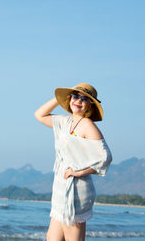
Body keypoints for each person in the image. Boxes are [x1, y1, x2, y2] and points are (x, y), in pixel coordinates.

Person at [34, 83, 112, 241]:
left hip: (77, 190)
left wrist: (79, 172)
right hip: (61, 187)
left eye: (84, 99)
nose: (78, 101)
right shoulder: (64, 121)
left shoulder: (87, 125)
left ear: (90, 104)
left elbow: (105, 157)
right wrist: (60, 98)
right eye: (75, 96)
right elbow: (40, 115)